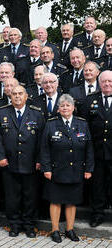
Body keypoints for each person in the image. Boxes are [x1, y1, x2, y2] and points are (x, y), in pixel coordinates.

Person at [40, 94, 94, 243]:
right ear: (58, 109)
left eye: (68, 105)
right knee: (55, 200)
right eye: (62, 105)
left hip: (76, 170)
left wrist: (89, 169)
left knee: (72, 201)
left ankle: (70, 229)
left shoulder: (82, 124)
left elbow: (89, 148)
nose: (65, 108)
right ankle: (55, 230)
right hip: (56, 170)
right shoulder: (51, 124)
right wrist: (46, 168)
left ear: (73, 108)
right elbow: (44, 149)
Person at [0, 85, 45, 238]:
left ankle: (29, 225)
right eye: (14, 94)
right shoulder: (2, 113)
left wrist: (39, 160)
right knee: (12, 197)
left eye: (20, 93)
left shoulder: (36, 114)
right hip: (9, 163)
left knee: (30, 196)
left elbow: (41, 141)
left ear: (26, 96)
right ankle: (14, 225)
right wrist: (0, 157)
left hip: (30, 164)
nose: (16, 96)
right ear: (10, 96)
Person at [79, 70, 112, 227]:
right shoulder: (89, 100)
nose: (107, 84)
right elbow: (84, 127)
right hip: (96, 151)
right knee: (97, 185)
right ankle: (97, 214)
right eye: (104, 81)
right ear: (99, 83)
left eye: (110, 81)